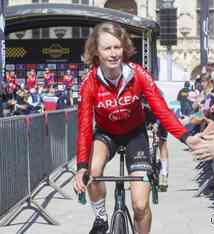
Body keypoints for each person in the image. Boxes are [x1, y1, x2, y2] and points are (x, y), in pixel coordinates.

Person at [73, 22, 201, 234]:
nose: (114, 53)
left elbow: (161, 109)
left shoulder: (138, 74)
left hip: (135, 135)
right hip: (106, 134)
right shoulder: (90, 82)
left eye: (117, 47)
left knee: (140, 206)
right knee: (94, 171)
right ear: (96, 52)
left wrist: (187, 138)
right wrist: (81, 166)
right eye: (107, 48)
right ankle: (101, 217)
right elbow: (85, 126)